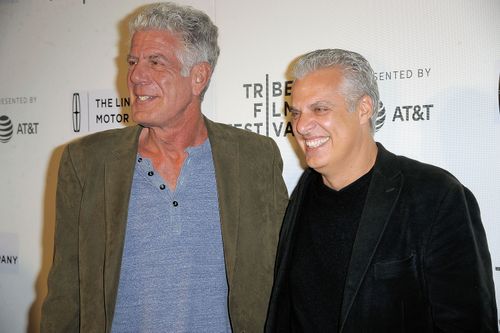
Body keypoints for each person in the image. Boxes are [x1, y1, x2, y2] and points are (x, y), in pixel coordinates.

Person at [41, 2, 288, 332]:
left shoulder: (255, 159)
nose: (136, 76)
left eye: (155, 62)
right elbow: (65, 295)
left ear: (198, 76)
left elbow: (284, 279)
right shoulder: (86, 162)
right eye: (133, 62)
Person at [265, 49, 498, 332]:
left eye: (320, 109)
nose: (301, 126)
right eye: (297, 113)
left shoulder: (435, 196)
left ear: (364, 108)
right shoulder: (302, 195)